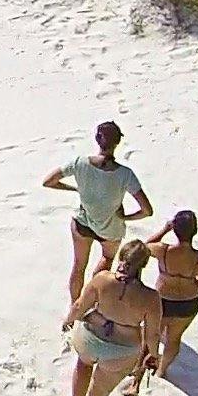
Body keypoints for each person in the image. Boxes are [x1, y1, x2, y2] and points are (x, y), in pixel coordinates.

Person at [60, 252, 163, 396]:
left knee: (82, 367)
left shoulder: (102, 279)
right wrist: (153, 354)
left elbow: (80, 305)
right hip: (121, 351)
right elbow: (153, 335)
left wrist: (69, 319)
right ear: (143, 265)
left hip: (89, 338)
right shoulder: (150, 298)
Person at [43, 122, 154, 305]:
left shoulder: (80, 163)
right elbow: (147, 211)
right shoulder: (125, 174)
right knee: (105, 264)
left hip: (83, 223)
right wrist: (125, 217)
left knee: (78, 266)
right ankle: (91, 302)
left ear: (97, 140)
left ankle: (74, 305)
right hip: (110, 229)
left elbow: (48, 181)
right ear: (118, 143)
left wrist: (75, 189)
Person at [142, 211, 198, 378]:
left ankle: (142, 371)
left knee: (152, 335)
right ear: (195, 231)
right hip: (187, 302)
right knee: (174, 339)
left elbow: (144, 247)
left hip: (163, 300)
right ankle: (161, 370)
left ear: (175, 230)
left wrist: (164, 229)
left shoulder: (163, 250)